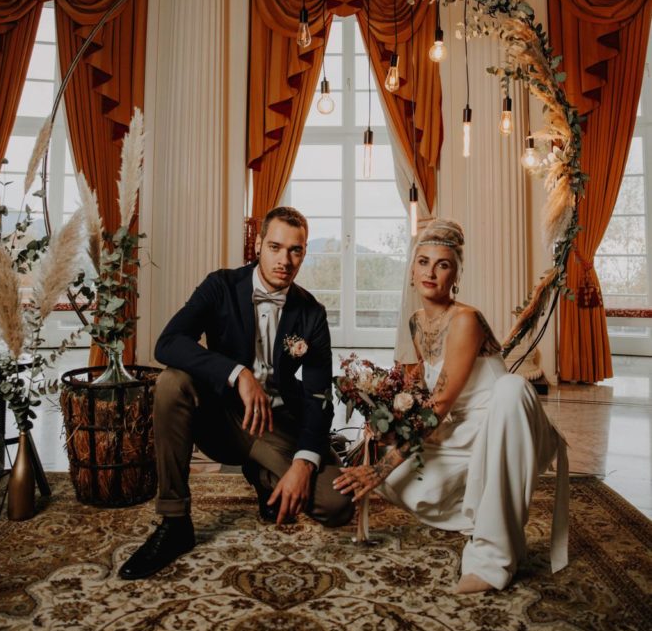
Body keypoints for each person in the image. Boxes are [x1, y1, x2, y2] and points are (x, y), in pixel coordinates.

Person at [333, 218, 568, 594]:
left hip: (506, 423)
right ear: (412, 272)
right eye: (423, 262)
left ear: (455, 276)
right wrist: (382, 421)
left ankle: (492, 560)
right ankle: (484, 515)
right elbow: (419, 396)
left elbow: (436, 407)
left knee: (510, 388)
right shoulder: (416, 323)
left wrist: (378, 470)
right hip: (460, 430)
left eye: (443, 265)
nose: (431, 272)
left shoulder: (466, 320)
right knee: (398, 478)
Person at [120, 205, 353, 580]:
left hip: (277, 424)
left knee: (336, 504)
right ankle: (175, 522)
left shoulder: (311, 312)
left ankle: (262, 474)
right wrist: (236, 373)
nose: (285, 260)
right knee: (172, 381)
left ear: (304, 253)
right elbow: (168, 343)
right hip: (223, 419)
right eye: (275, 247)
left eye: (295, 250)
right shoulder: (221, 286)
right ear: (258, 245)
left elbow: (318, 397)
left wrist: (303, 463)